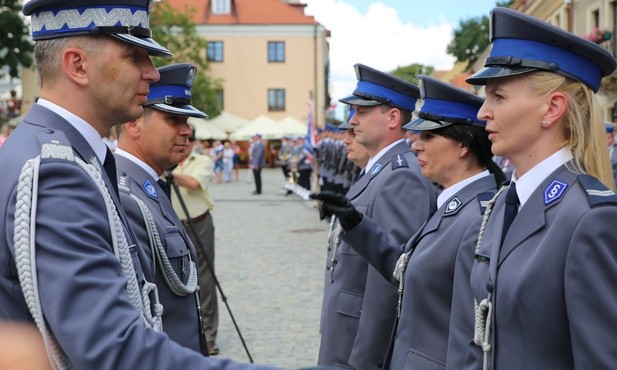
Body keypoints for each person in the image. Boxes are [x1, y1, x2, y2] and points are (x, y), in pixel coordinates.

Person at [0, 1, 278, 368]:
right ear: (77, 65)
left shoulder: (71, 155)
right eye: (135, 57)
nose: (152, 74)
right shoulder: (56, 171)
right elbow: (113, 349)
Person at [312, 75, 505, 369]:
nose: (415, 146)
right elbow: (407, 270)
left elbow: (470, 335)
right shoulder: (455, 205)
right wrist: (356, 225)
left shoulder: (479, 215)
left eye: (428, 136)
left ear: (463, 145)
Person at [466, 8, 617, 369]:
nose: (482, 112)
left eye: (498, 97)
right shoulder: (503, 203)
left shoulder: (589, 219)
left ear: (552, 108)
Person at [311, 63, 437, 369]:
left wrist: (365, 361)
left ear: (393, 117)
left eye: (362, 112)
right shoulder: (377, 172)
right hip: (345, 330)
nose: (352, 121)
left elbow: (389, 281)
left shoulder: (400, 177)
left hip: (360, 346)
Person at [115, 63, 209, 354]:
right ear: (134, 124)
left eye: (187, 122)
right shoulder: (125, 195)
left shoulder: (149, 185)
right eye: (173, 120)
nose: (187, 132)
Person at [170, 127, 220, 356]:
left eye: (189, 138)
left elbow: (193, 184)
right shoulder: (167, 160)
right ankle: (185, 332)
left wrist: (169, 174)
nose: (185, 141)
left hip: (199, 224)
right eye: (182, 137)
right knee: (176, 280)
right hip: (174, 226)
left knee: (205, 280)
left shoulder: (202, 161)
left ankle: (209, 336)